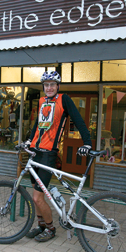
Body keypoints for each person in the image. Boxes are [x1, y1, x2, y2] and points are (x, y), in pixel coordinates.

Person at [24, 71, 92, 242]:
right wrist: (28, 140)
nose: (49, 88)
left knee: (38, 197)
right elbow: (37, 125)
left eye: (52, 84)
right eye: (46, 85)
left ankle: (51, 228)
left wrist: (87, 143)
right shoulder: (41, 101)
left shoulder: (64, 100)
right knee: (35, 196)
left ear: (58, 86)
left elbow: (78, 120)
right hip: (35, 153)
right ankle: (41, 226)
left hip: (49, 155)